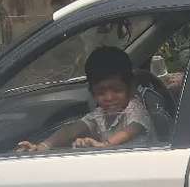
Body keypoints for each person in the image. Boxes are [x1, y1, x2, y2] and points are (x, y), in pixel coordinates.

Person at [16, 46, 155, 153]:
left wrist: (102, 145)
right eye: (101, 92)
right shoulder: (100, 114)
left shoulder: (135, 109)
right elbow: (71, 130)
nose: (109, 98)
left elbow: (129, 131)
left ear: (130, 88)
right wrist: (43, 146)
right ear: (92, 93)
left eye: (117, 90)